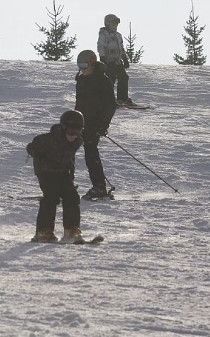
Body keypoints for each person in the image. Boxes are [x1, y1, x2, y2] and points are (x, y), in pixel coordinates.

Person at [26, 110, 85, 242]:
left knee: (72, 196)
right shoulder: (49, 139)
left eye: (77, 131)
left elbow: (70, 157)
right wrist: (37, 154)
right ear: (64, 128)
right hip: (45, 171)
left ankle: (71, 229)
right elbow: (31, 147)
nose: (73, 135)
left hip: (62, 171)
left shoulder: (77, 141)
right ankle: (43, 231)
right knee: (51, 196)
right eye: (70, 131)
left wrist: (70, 173)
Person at [74, 49, 116, 200]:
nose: (82, 69)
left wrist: (102, 126)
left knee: (91, 153)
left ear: (92, 63)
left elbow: (111, 105)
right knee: (65, 150)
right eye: (79, 66)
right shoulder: (81, 80)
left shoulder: (103, 80)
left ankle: (99, 187)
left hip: (94, 124)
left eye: (84, 66)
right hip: (79, 123)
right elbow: (79, 103)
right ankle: (63, 184)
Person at [97, 14, 133, 106]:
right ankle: (108, 98)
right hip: (109, 61)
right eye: (113, 25)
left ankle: (122, 98)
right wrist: (102, 58)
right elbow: (101, 46)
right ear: (108, 24)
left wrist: (124, 58)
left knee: (124, 77)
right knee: (110, 79)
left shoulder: (118, 35)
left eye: (116, 25)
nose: (115, 27)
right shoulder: (104, 34)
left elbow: (121, 48)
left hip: (117, 61)